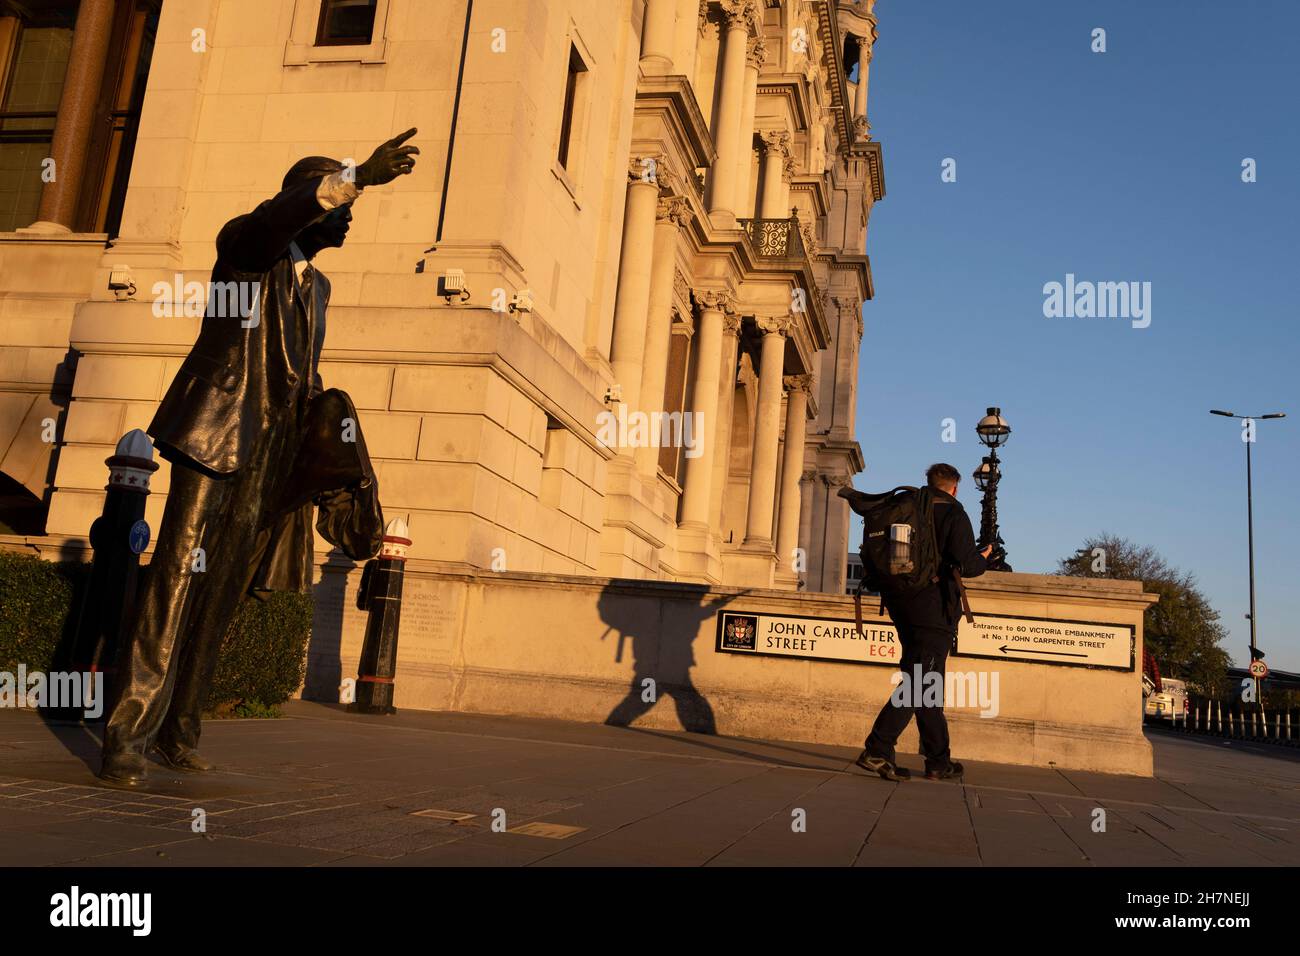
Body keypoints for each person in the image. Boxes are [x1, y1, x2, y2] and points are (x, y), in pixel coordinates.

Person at [97, 131, 420, 788]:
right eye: (340, 203)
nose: (350, 216)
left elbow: (301, 374)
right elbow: (276, 219)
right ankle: (126, 733)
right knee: (175, 582)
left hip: (269, 456)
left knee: (223, 593)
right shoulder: (246, 249)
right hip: (214, 436)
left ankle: (178, 731)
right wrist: (356, 174)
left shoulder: (318, 288)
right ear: (308, 202)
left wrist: (329, 448)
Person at [857, 463, 992, 782]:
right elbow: (968, 565)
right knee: (921, 683)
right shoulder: (952, 511)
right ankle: (877, 749)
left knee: (925, 681)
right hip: (933, 608)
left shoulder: (906, 507)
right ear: (954, 487)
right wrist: (983, 558)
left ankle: (937, 760)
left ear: (928, 482)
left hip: (901, 604)